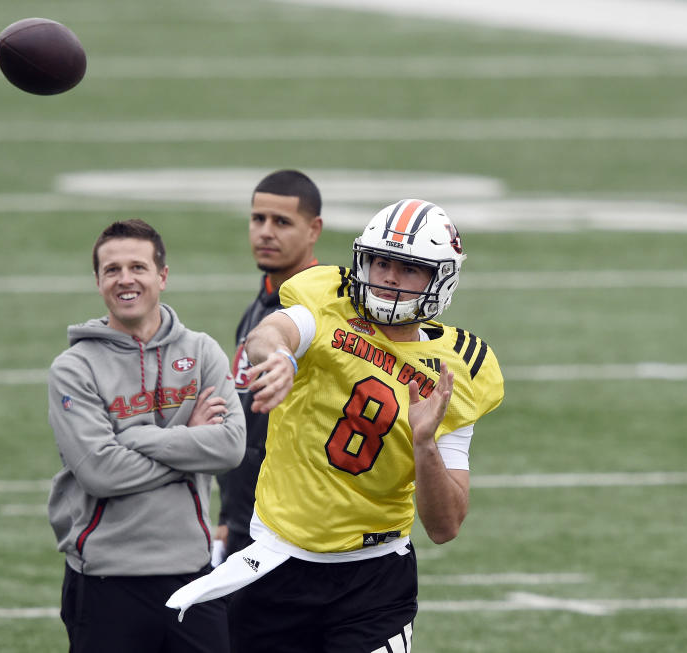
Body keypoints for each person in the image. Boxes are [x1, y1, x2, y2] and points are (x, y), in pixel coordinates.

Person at [167, 199, 504, 653]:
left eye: (408, 269)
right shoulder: (330, 300)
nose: (388, 277)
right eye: (382, 262)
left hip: (374, 577)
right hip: (277, 561)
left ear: (440, 278)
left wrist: (425, 445)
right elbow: (272, 332)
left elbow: (444, 527)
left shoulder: (459, 371)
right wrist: (281, 357)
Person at [47, 219, 245, 653]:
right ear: (98, 281)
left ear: (162, 276)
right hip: (104, 580)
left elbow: (230, 447)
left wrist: (136, 438)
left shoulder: (201, 351)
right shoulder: (73, 367)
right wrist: (189, 437)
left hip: (193, 574)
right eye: (112, 270)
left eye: (138, 266)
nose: (125, 279)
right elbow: (100, 471)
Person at [215, 169, 323, 561]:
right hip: (248, 520)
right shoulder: (262, 301)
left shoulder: (318, 312)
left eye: (282, 222)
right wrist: (231, 513)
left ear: (314, 230)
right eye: (258, 219)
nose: (265, 232)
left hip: (290, 527)